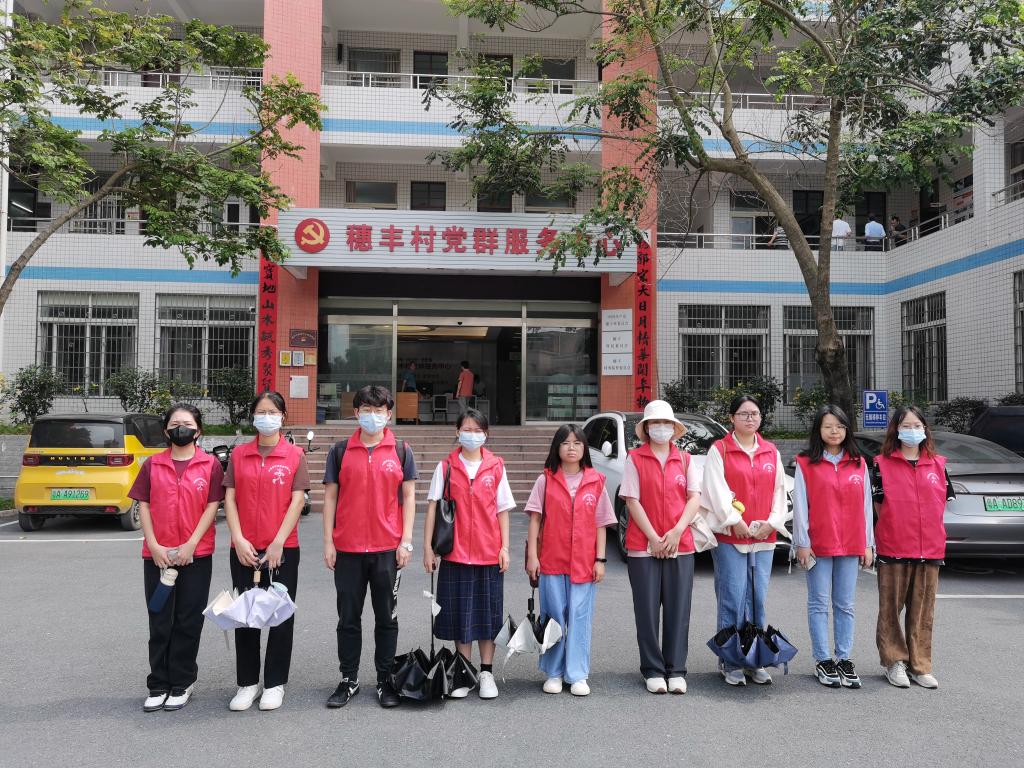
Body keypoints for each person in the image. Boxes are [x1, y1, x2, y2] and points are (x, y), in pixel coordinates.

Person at [322, 385, 417, 709]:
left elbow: (409, 497)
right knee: (348, 618)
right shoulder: (340, 451)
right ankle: (348, 679)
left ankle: (384, 679)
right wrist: (328, 542)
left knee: (386, 618)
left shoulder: (401, 450)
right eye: (366, 409)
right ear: (356, 412)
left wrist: (406, 541)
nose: (372, 416)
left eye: (379, 410)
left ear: (389, 414)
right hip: (348, 549)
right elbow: (330, 497)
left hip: (387, 549)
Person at [130, 403, 223, 713]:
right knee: (159, 619)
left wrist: (191, 545)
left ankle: (182, 681)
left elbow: (212, 506)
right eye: (174, 424)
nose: (180, 428)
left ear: (198, 431)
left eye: (187, 424)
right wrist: (154, 545)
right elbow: (143, 504)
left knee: (187, 620)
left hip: (196, 555)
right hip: (157, 555)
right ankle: (158, 684)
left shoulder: (210, 465)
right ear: (166, 431)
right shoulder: (152, 465)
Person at [223, 391, 310, 712]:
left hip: (282, 549)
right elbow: (229, 498)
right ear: (253, 416)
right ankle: (247, 683)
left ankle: (274, 683)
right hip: (244, 549)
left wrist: (278, 542)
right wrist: (238, 538)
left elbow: (298, 500)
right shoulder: (239, 455)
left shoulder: (294, 455)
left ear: (283, 417)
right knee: (245, 615)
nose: (267, 417)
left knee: (280, 616)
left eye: (273, 412)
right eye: (261, 412)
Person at [423, 408, 514, 700]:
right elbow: (433, 508)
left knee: (488, 616)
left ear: (486, 434)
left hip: (489, 554)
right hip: (455, 554)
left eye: (477, 430)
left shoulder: (496, 466)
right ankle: (464, 672)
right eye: (467, 429)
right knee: (461, 615)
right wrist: (428, 548)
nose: (472, 435)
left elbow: (503, 510)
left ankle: (486, 672)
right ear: (457, 432)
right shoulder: (445, 467)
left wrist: (505, 548)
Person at [701, 395, 791, 686]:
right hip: (731, 536)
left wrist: (772, 523)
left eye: (755, 413)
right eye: (743, 413)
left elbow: (779, 491)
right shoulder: (720, 450)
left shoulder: (770, 451)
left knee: (757, 599)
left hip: (764, 537)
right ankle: (730, 660)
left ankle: (755, 658)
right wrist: (733, 520)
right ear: (732, 418)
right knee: (732, 597)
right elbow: (714, 489)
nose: (750, 418)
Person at [619, 400, 703, 695]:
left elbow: (694, 498)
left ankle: (676, 669)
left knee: (678, 609)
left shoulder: (686, 460)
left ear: (674, 428)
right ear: (646, 428)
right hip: (643, 546)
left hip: (681, 544)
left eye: (666, 423)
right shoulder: (634, 458)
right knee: (647, 610)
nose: (661, 428)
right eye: (655, 423)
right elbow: (632, 500)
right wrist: (654, 538)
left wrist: (677, 531)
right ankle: (653, 669)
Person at [525, 424, 615, 696]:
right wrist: (532, 557)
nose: (571, 448)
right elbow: (535, 519)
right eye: (565, 443)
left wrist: (600, 559)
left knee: (579, 618)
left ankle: (577, 674)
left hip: (584, 563)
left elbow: (601, 523)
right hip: (552, 560)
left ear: (585, 448)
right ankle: (553, 672)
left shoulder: (596, 481)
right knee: (553, 616)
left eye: (577, 443)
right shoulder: (545, 480)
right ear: (557, 448)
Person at [871, 405, 955, 690]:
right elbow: (879, 506)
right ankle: (894, 661)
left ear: (925, 430)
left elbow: (942, 504)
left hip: (930, 548)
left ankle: (920, 665)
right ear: (895, 430)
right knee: (890, 609)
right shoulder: (881, 464)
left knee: (923, 611)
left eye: (917, 425)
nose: (912, 430)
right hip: (894, 545)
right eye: (906, 426)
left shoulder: (939, 465)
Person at [792, 405, 873, 689]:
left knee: (845, 604)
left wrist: (868, 544)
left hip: (851, 543)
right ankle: (823, 659)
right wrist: (802, 542)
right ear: (819, 430)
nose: (834, 431)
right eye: (828, 426)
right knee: (818, 603)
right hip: (818, 544)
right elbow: (800, 505)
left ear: (847, 429)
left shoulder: (859, 463)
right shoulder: (805, 463)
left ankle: (844, 658)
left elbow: (866, 506)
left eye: (839, 426)